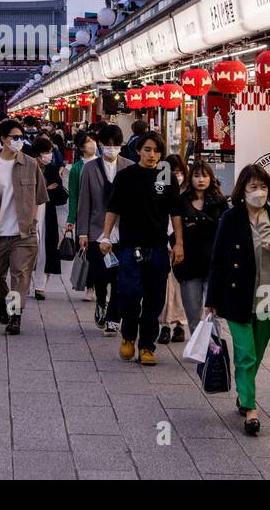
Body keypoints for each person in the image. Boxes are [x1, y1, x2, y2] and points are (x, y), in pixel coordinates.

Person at [205, 165, 270, 435]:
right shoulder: (231, 218)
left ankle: (244, 393)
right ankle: (251, 409)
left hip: (268, 294)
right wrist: (212, 298)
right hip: (236, 295)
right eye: (253, 187)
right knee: (245, 353)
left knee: (259, 349)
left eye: (263, 186)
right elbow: (218, 258)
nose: (259, 192)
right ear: (242, 190)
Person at [98, 131, 184, 366]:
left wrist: (178, 243)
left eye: (156, 151)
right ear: (138, 151)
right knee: (129, 293)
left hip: (157, 247)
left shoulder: (166, 176)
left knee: (155, 299)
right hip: (129, 246)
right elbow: (113, 208)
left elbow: (175, 212)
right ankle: (128, 336)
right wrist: (105, 237)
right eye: (147, 150)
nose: (152, 155)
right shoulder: (126, 176)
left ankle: (147, 345)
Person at [0, 119, 48, 335]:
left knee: (20, 274)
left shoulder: (31, 165)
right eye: (15, 137)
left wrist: (33, 222)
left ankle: (15, 315)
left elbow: (39, 197)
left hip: (22, 234)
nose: (19, 141)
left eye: (21, 137)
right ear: (3, 139)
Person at [76, 124, 131, 330]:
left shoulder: (128, 166)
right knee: (100, 274)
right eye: (107, 145)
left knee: (119, 278)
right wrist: (82, 232)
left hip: (122, 231)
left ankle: (113, 318)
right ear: (100, 145)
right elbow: (84, 202)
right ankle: (100, 301)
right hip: (97, 231)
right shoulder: (89, 168)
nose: (111, 149)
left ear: (121, 146)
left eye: (115, 145)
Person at [176, 159, 228, 329]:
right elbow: (175, 229)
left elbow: (225, 230)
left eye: (204, 176)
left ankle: (214, 350)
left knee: (214, 313)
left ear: (210, 178)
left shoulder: (219, 201)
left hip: (213, 262)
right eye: (197, 176)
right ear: (190, 178)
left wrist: (198, 222)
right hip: (188, 264)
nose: (200, 179)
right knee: (192, 313)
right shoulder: (182, 201)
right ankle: (198, 349)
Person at [158, 153, 190, 345]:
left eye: (179, 172)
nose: (176, 175)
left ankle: (180, 324)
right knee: (164, 287)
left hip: (184, 245)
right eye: (172, 172)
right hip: (163, 242)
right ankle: (165, 324)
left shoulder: (189, 193)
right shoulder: (161, 190)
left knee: (182, 287)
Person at [31, 137, 66, 300]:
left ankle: (40, 286)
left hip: (47, 212)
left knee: (46, 249)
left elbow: (59, 194)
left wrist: (45, 191)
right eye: (46, 152)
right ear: (37, 154)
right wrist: (45, 189)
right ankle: (23, 283)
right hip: (29, 213)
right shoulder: (27, 168)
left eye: (51, 152)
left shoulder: (52, 170)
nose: (49, 156)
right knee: (30, 249)